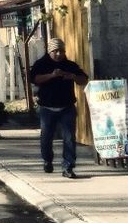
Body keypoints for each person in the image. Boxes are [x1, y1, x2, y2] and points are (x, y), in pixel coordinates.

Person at [30, 37, 88, 178]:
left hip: (67, 107)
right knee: (46, 137)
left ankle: (68, 167)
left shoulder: (69, 65)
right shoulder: (41, 63)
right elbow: (34, 79)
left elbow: (83, 79)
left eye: (61, 51)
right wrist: (52, 75)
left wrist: (73, 76)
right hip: (47, 108)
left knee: (69, 138)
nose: (58, 54)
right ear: (50, 51)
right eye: (55, 51)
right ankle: (47, 160)